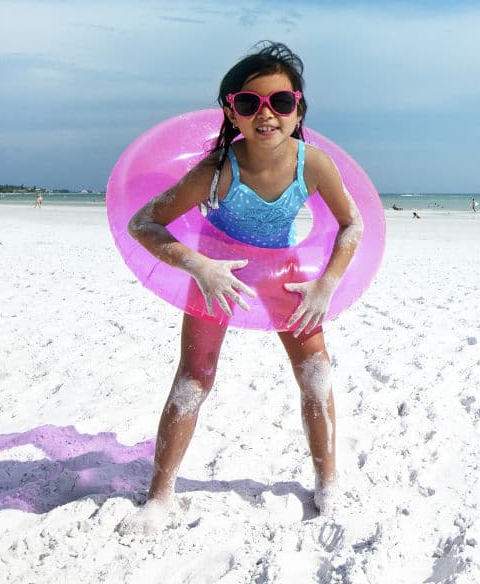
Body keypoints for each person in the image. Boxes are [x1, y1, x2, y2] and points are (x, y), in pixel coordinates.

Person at [117, 42, 361, 535]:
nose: (266, 114)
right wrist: (198, 267)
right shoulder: (216, 170)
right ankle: (159, 497)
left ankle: (328, 483)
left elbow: (351, 224)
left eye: (281, 102)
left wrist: (327, 284)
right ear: (232, 112)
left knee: (316, 375)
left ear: (298, 110)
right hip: (217, 275)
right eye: (250, 103)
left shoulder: (313, 165)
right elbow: (143, 223)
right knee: (194, 379)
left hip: (282, 275)